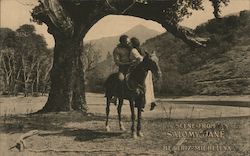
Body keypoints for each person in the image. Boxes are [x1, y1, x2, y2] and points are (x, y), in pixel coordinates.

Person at [129, 37, 157, 111]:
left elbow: (139, 59)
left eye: (130, 43)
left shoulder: (133, 50)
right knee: (148, 86)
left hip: (140, 70)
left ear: (132, 44)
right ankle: (151, 101)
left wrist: (132, 62)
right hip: (146, 70)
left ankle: (141, 104)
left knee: (138, 85)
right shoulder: (142, 49)